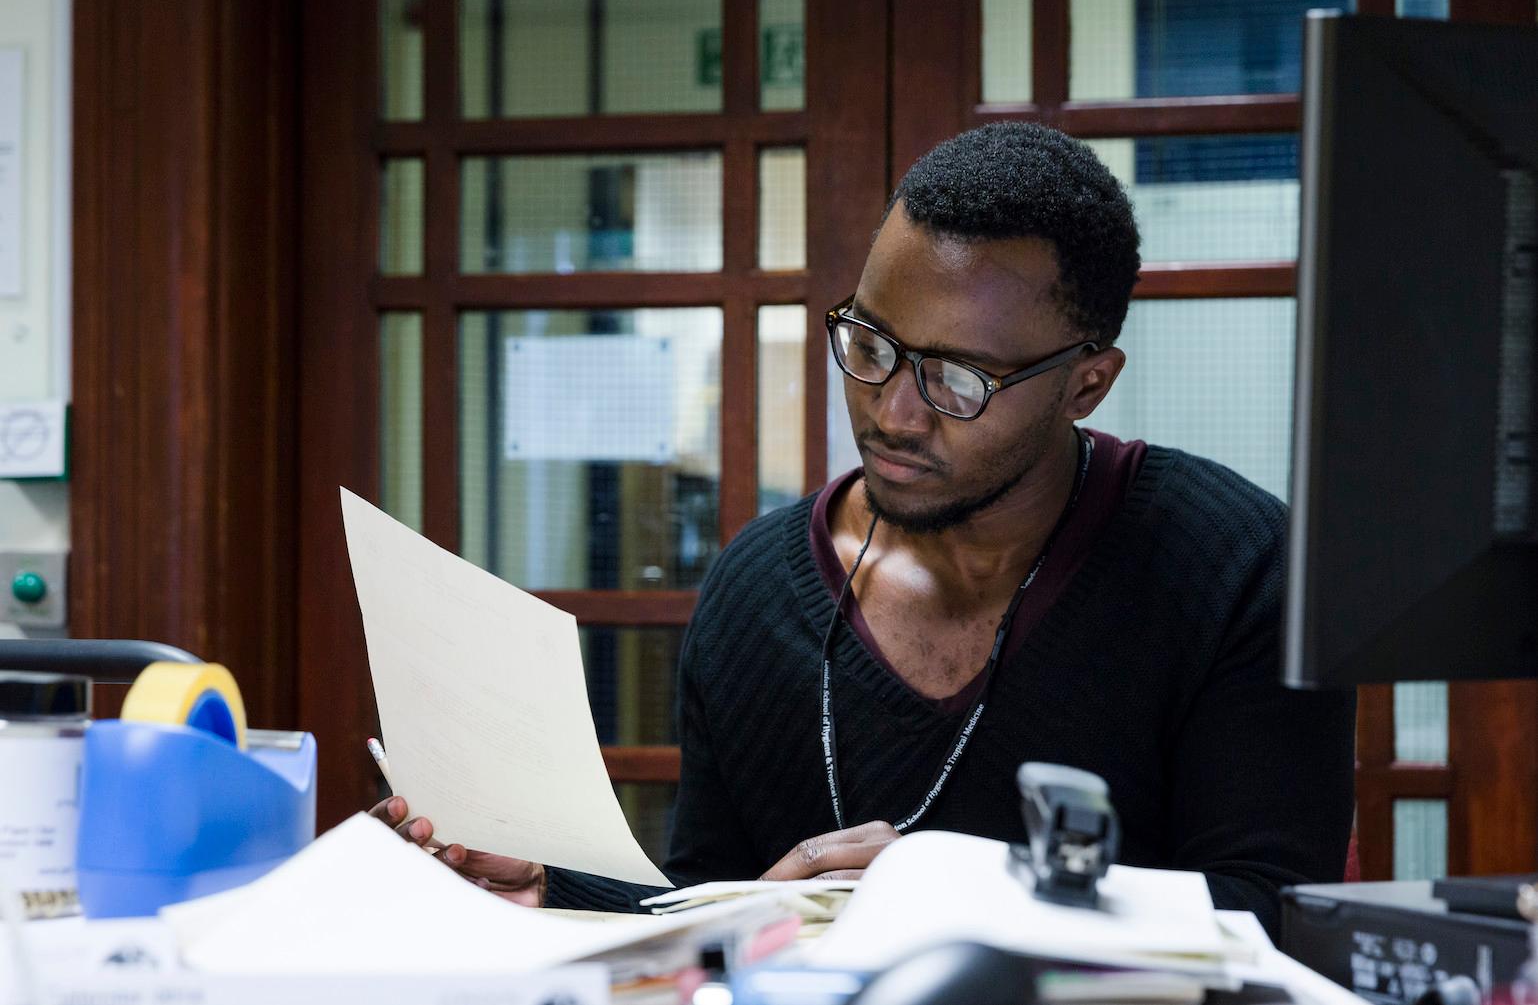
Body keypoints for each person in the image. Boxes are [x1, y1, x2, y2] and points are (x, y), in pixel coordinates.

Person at [371, 122, 1356, 936]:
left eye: (958, 379)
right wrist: (554, 893)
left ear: (1084, 384)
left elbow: (1274, 918)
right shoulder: (756, 587)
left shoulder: (1231, 565)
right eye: (869, 344)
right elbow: (719, 898)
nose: (893, 412)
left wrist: (953, 896)